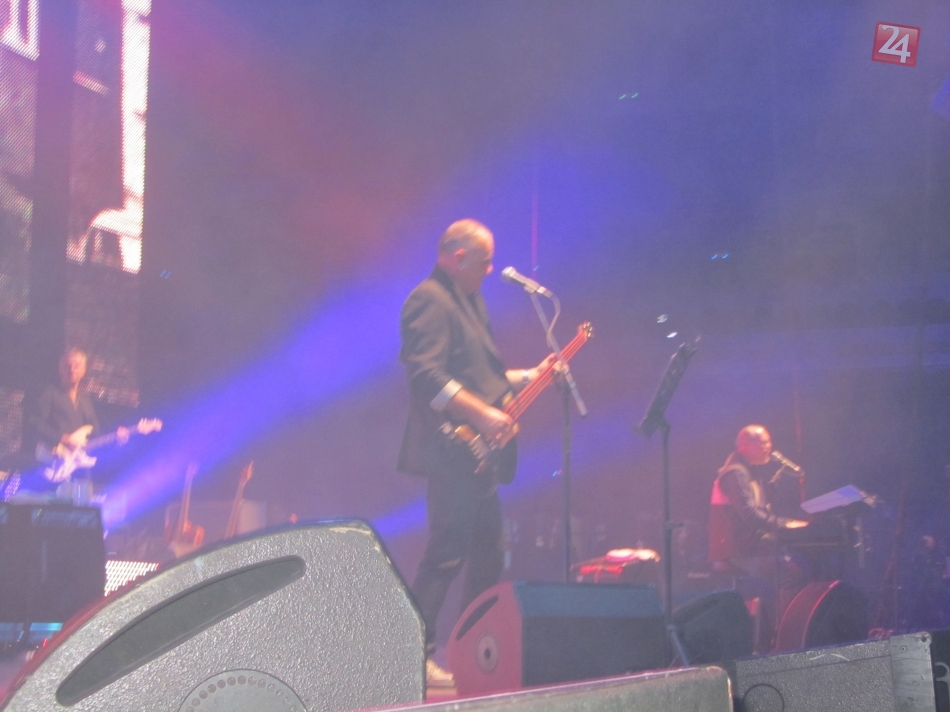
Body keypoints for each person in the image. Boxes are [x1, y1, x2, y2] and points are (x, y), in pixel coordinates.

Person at [398, 219, 552, 688]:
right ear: (457, 256)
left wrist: (531, 376)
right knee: (446, 553)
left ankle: (468, 649)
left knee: (489, 554)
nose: (490, 270)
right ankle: (414, 655)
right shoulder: (429, 298)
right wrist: (483, 415)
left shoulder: (469, 302)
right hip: (451, 447)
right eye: (484, 262)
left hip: (477, 455)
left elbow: (483, 375)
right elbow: (426, 376)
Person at [708, 424, 808, 653]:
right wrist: (785, 524)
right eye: (763, 442)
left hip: (746, 546)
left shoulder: (747, 471)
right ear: (745, 445)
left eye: (769, 442)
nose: (769, 447)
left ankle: (776, 633)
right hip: (737, 551)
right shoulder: (736, 472)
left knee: (792, 564)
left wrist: (782, 523)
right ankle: (788, 639)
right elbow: (750, 515)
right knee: (791, 574)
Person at [26, 349, 127, 496]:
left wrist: (116, 439)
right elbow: (34, 424)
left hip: (80, 470)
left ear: (84, 370)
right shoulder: (50, 394)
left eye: (77, 365)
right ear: (60, 370)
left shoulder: (85, 402)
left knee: (83, 506)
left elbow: (95, 435)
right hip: (54, 464)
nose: (72, 369)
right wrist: (63, 438)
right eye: (67, 366)